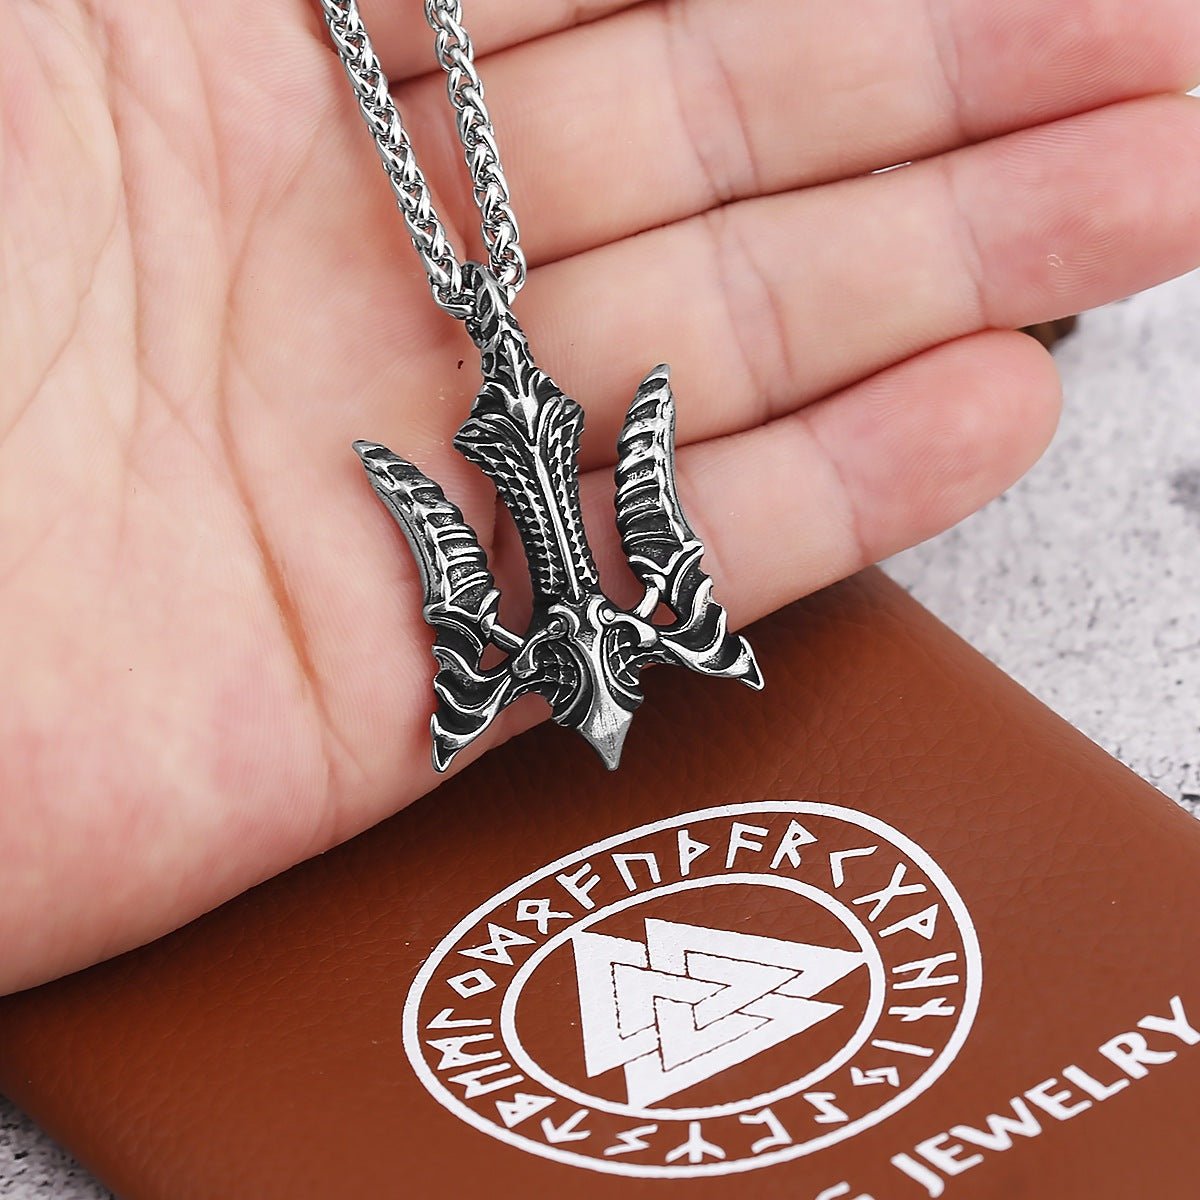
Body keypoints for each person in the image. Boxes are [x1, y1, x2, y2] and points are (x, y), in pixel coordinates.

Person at [1, 0, 1197, 996]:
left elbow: (540, 558)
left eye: (604, 693)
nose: (607, 712)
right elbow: (608, 530)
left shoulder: (560, 652)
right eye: (602, 692)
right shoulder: (605, 637)